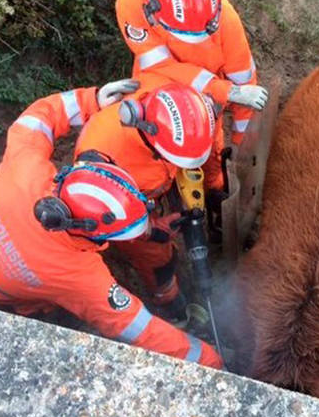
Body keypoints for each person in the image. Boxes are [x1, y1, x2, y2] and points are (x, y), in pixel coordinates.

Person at [0, 80, 222, 369]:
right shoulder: (80, 277)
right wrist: (210, 359)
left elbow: (37, 118)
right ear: (94, 236)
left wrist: (89, 100)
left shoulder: (28, 169)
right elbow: (140, 329)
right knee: (55, 307)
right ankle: (41, 308)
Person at [115, 0, 268, 194]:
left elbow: (246, 90)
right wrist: (226, 91)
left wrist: (241, 146)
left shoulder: (227, 24)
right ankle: (158, 187)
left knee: (208, 153)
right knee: (148, 148)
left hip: (205, 104)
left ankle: (214, 188)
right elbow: (160, 67)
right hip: (155, 91)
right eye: (184, 35)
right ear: (152, 14)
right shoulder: (132, 2)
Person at [74, 77, 218, 322]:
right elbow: (113, 221)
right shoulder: (102, 164)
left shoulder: (176, 105)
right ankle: (169, 303)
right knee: (156, 258)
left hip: (155, 180)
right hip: (126, 207)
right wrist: (152, 230)